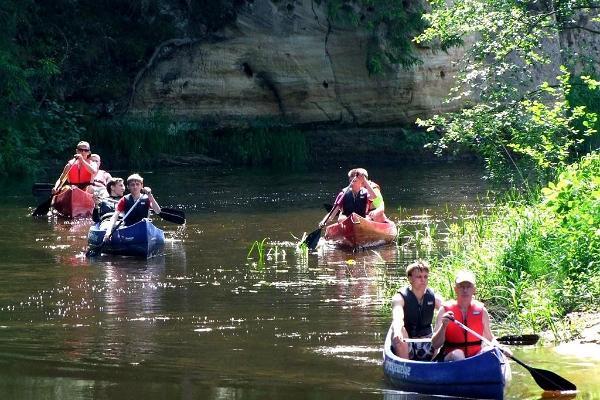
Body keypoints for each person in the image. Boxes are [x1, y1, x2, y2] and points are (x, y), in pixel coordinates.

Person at [431, 270, 496, 361]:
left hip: (475, 357)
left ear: (474, 289)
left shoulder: (482, 311)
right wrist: (444, 326)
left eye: (468, 287)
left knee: (490, 351)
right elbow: (435, 344)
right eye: (461, 286)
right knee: (458, 354)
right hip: (451, 358)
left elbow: (490, 338)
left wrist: (500, 348)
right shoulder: (444, 311)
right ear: (455, 289)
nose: (465, 290)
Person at [391, 260, 444, 360]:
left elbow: (450, 308)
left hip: (428, 342)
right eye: (419, 277)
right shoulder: (399, 298)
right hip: (406, 342)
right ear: (410, 278)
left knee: (445, 314)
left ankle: (434, 363)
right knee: (397, 328)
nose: (423, 280)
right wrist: (398, 330)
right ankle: (405, 365)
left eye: (425, 277)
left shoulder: (434, 297)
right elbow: (397, 317)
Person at [102, 173, 161, 242]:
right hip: (129, 228)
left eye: (137, 184)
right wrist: (108, 231)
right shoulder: (124, 200)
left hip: (143, 227)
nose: (135, 187)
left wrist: (150, 195)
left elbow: (158, 211)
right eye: (132, 185)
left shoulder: (147, 198)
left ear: (142, 186)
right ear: (128, 187)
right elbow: (115, 216)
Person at [318, 168, 384, 227]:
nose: (352, 182)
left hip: (362, 220)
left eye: (355, 181)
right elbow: (332, 213)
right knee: (342, 219)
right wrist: (324, 222)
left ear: (361, 182)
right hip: (347, 220)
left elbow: (374, 196)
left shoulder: (366, 193)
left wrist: (364, 180)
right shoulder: (342, 195)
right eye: (350, 180)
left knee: (368, 218)